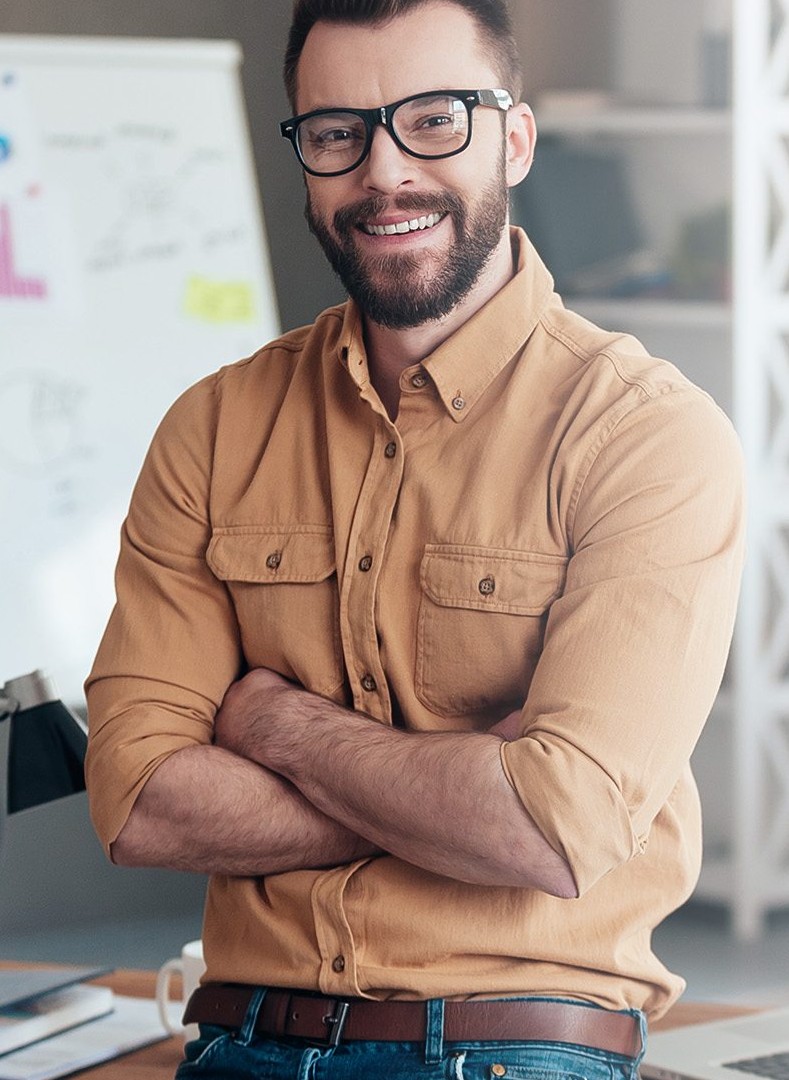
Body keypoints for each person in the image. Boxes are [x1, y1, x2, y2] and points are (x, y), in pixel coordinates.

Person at [84, 1, 746, 1077]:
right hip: (240, 1040)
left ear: (514, 139)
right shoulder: (213, 428)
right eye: (339, 131)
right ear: (304, 157)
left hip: (512, 1049)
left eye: (435, 118)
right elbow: (140, 800)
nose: (385, 172)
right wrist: (465, 789)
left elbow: (553, 830)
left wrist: (282, 728)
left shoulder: (647, 436)